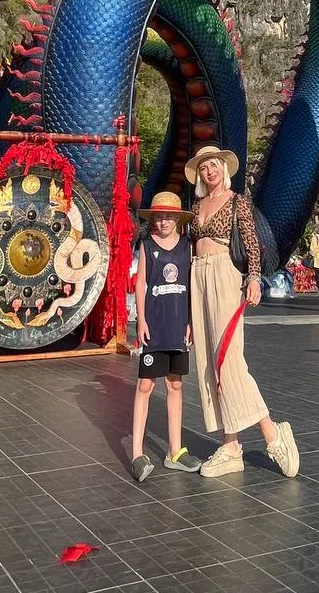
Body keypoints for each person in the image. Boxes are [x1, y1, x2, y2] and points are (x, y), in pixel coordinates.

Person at [185, 144, 299, 478]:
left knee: (228, 358)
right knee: (207, 361)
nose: (210, 172)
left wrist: (253, 278)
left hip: (224, 272)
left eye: (214, 166)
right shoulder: (197, 204)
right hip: (198, 274)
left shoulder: (237, 202)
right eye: (204, 168)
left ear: (224, 168)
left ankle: (271, 432)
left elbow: (251, 244)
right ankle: (231, 444)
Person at [130, 191, 202, 482]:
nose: (163, 221)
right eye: (158, 217)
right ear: (153, 219)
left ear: (178, 219)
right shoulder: (147, 245)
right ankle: (137, 453)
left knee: (175, 385)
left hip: (178, 327)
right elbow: (141, 284)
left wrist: (191, 322)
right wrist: (141, 320)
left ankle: (175, 451)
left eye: (168, 216)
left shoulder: (187, 247)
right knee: (145, 386)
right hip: (154, 327)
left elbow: (191, 285)